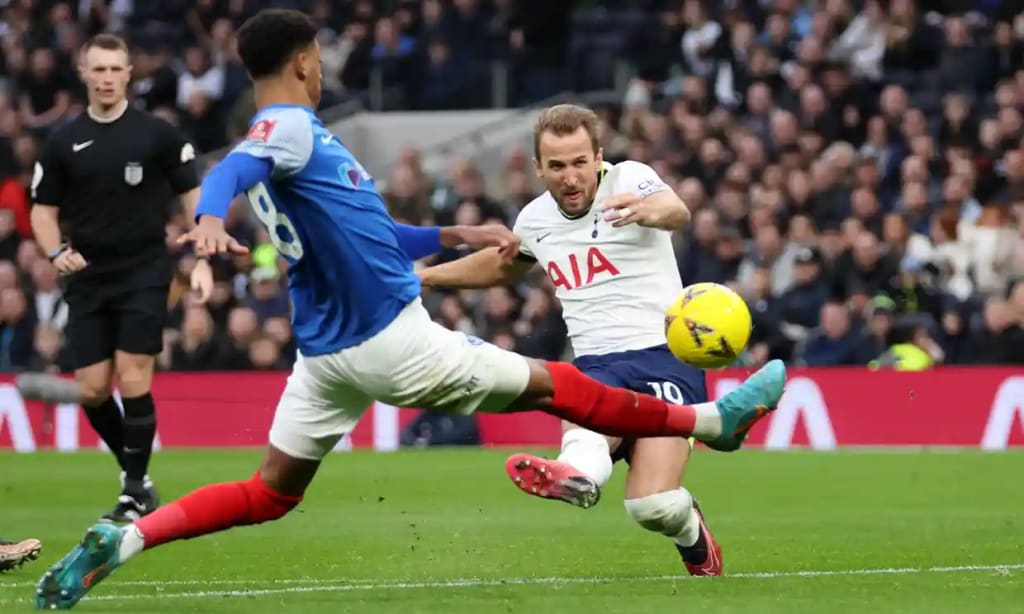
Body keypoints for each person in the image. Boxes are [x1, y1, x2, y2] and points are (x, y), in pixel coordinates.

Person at [35, 10, 786, 610]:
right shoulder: (288, 127)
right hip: (390, 340)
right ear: (304, 63)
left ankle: (125, 540)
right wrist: (208, 215)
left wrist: (453, 235)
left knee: (268, 493)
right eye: (319, 60)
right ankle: (711, 422)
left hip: (324, 358)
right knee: (557, 383)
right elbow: (236, 163)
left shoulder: (308, 151)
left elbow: (379, 233)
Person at [418, 104, 721, 576]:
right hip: (597, 365)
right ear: (539, 168)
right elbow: (501, 266)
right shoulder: (535, 220)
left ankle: (689, 529)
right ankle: (575, 476)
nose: (571, 176)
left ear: (598, 157)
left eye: (580, 162)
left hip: (664, 358)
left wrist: (647, 211)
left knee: (652, 507)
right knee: (585, 439)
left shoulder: (629, 179)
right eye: (557, 166)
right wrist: (424, 278)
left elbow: (675, 210)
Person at [25, 33, 203, 523]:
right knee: (93, 389)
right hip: (87, 275)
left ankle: (131, 492)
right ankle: (139, 478)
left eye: (114, 69)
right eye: (98, 69)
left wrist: (202, 240)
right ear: (84, 74)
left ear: (128, 74)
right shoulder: (62, 141)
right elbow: (42, 211)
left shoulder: (157, 134)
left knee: (133, 372)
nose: (106, 78)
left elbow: (192, 192)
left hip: (145, 269)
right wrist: (56, 251)